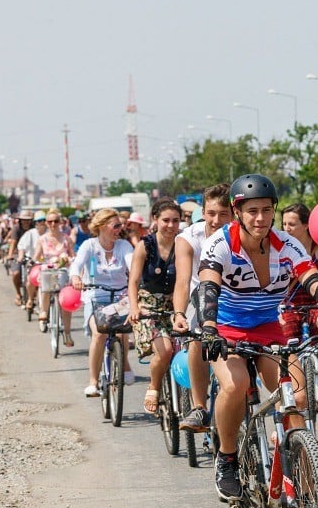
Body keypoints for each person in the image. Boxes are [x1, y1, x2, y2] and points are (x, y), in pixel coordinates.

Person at [197, 174, 318, 501]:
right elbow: (207, 288)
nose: (261, 218)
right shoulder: (219, 244)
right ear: (238, 211)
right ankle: (227, 459)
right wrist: (209, 329)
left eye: (267, 210)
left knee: (298, 396)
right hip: (225, 328)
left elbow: (316, 283)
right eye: (253, 210)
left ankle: (302, 472)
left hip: (269, 327)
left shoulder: (287, 245)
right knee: (235, 384)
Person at [172, 183, 233, 432]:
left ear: (234, 213)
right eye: (211, 213)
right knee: (198, 335)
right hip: (200, 298)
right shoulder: (188, 238)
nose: (217, 220)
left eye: (223, 214)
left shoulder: (243, 235)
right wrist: (178, 313)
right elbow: (183, 282)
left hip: (234, 297)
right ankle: (199, 406)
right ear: (203, 212)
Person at [69, 209, 137, 397]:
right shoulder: (89, 245)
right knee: (99, 333)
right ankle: (93, 381)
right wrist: (75, 277)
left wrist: (137, 278)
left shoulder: (124, 246)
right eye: (115, 226)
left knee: (122, 331)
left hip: (121, 296)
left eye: (120, 226)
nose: (119, 229)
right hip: (95, 295)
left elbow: (133, 264)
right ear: (101, 226)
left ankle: (124, 365)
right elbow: (76, 265)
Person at [280, 202, 318, 395]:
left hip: (316, 303)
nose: (286, 229)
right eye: (284, 224)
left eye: (291, 224)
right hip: (288, 306)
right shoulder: (280, 249)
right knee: (284, 341)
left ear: (306, 225)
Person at [127, 198, 181, 415]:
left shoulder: (183, 244)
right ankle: (154, 387)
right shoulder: (145, 245)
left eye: (175, 221)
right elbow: (133, 281)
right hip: (149, 306)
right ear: (155, 220)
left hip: (176, 304)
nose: (170, 225)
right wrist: (134, 307)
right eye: (166, 220)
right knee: (165, 350)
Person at [33, 208, 76, 344]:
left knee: (65, 303)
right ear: (46, 223)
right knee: (46, 282)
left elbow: (72, 255)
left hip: (63, 271)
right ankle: (44, 311)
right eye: (50, 221)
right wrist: (37, 261)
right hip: (48, 270)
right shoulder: (42, 239)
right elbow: (37, 256)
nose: (53, 224)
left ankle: (67, 334)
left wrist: (68, 259)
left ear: (60, 222)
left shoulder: (66, 238)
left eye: (55, 221)